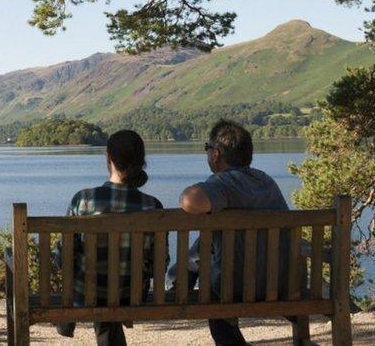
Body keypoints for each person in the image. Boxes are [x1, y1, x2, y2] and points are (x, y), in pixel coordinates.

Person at [177, 119, 289, 346]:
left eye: (208, 149)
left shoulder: (224, 182)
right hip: (282, 284)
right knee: (208, 241)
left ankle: (177, 284)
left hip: (236, 288)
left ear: (216, 155)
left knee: (215, 292)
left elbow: (190, 202)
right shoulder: (266, 181)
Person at [54, 130, 166, 346]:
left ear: (108, 158)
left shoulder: (84, 200)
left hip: (87, 293)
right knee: (108, 283)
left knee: (90, 277)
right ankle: (66, 320)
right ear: (142, 161)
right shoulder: (152, 206)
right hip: (131, 294)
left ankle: (65, 320)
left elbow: (64, 257)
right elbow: (159, 263)